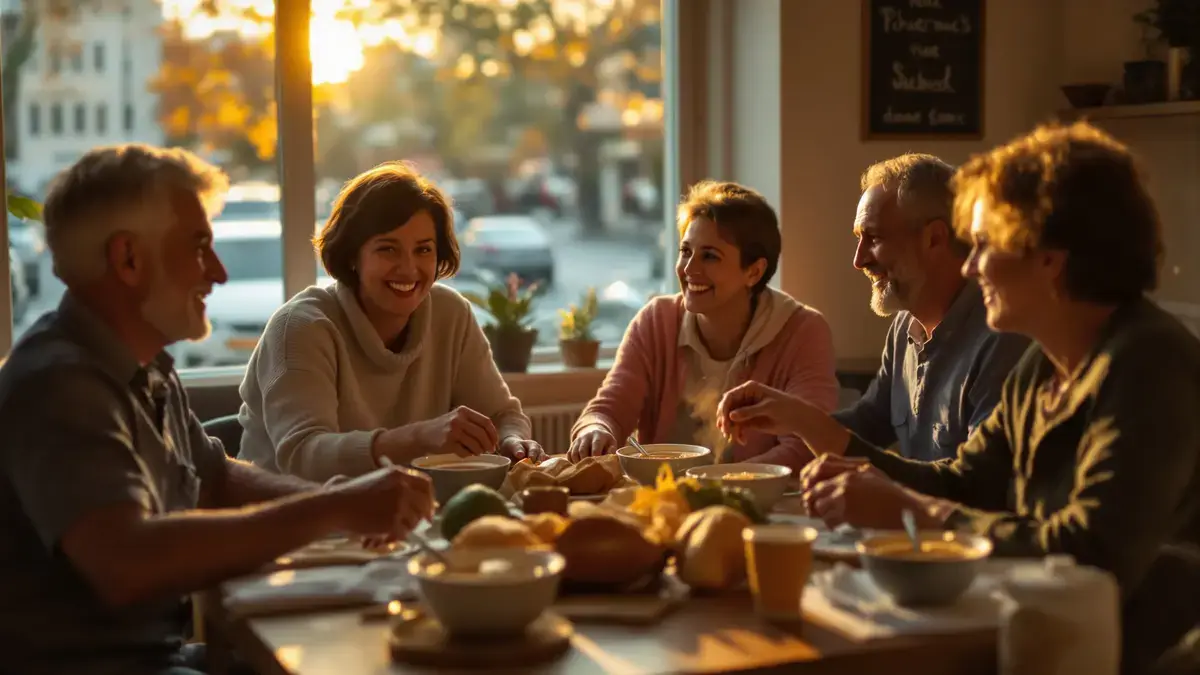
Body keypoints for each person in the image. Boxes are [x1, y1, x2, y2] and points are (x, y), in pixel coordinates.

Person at [719, 122, 1200, 674]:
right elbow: (963, 484)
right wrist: (869, 485)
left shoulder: (1147, 362)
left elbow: (1093, 553)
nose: (970, 265)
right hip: (1049, 632)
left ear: (1050, 257)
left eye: (986, 244)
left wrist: (918, 512)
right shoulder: (1044, 365)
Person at [0, 144, 434, 675]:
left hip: (162, 656)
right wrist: (335, 510)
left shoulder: (146, 367)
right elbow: (126, 562)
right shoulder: (59, 385)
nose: (220, 273)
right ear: (129, 259)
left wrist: (342, 502)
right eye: (200, 246)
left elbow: (216, 477)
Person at [238, 162, 543, 482]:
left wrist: (512, 440)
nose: (409, 269)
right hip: (288, 519)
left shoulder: (450, 313)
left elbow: (501, 415)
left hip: (398, 517)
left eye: (423, 249)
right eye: (388, 249)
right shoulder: (301, 327)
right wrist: (419, 438)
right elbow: (303, 456)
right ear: (352, 255)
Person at [567, 181, 839, 471]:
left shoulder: (803, 331)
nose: (688, 269)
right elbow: (609, 409)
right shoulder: (655, 321)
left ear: (754, 271)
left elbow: (804, 448)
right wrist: (595, 430)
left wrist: (716, 482)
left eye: (709, 256)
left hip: (760, 506)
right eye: (686, 251)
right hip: (663, 501)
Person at [836, 153, 1028, 461]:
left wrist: (880, 486)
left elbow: (976, 483)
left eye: (873, 238)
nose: (859, 261)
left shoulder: (1002, 338)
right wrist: (789, 421)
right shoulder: (904, 326)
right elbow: (869, 422)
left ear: (934, 239)